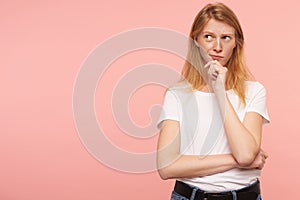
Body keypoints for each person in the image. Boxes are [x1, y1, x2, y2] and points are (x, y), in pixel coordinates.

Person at [156, 2, 270, 200]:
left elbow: (244, 154)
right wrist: (235, 162)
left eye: (226, 38)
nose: (217, 47)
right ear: (196, 41)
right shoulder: (177, 94)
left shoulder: (254, 91)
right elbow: (166, 166)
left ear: (236, 43)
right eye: (208, 37)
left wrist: (219, 91)